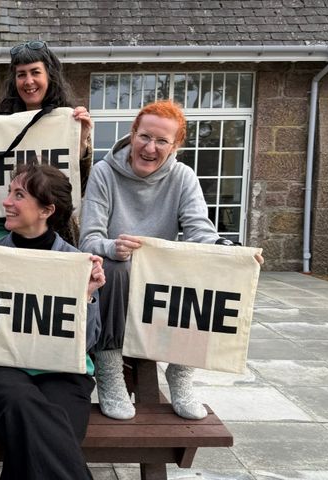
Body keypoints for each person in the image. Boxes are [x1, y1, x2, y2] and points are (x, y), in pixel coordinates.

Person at [79, 99, 264, 421]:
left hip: (161, 282)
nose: (150, 148)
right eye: (144, 137)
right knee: (114, 267)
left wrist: (230, 252)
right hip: (117, 279)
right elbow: (89, 239)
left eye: (161, 141)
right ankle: (109, 370)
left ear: (175, 145)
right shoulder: (103, 172)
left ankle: (181, 372)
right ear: (132, 134)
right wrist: (112, 246)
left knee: (205, 264)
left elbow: (198, 231)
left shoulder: (183, 177)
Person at [0, 164, 105, 480]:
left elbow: (89, 341)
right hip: (1, 372)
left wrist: (88, 297)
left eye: (19, 195)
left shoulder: (74, 262)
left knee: (38, 434)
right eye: (10, 192)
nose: (6, 202)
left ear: (46, 210)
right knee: (34, 414)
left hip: (63, 374)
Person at [0, 39, 93, 244]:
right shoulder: (2, 123)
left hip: (56, 224)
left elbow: (78, 186)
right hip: (8, 222)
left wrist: (82, 143)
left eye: (35, 72)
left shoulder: (70, 121)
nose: (28, 81)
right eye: (21, 74)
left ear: (49, 76)